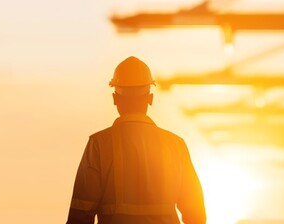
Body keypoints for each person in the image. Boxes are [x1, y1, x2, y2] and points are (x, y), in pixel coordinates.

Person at [66, 56, 206, 224]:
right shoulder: (175, 145)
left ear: (115, 99)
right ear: (150, 99)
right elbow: (196, 215)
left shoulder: (99, 144)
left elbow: (80, 215)